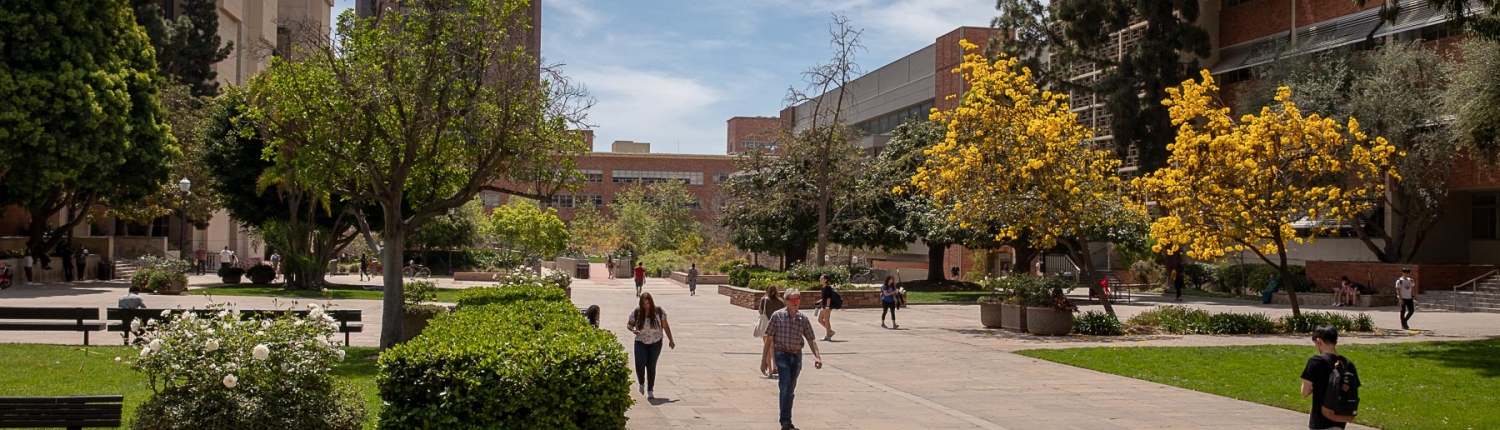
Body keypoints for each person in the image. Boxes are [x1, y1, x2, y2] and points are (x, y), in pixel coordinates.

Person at [761, 288, 823, 430]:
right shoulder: (777, 316)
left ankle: (787, 420)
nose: (796, 303)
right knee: (785, 384)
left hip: (796, 355)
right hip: (781, 354)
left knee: (791, 387)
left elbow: (811, 339)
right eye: (793, 300)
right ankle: (785, 422)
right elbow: (769, 339)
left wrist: (817, 357)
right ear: (786, 301)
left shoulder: (803, 319)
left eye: (797, 300)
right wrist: (764, 360)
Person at [1301, 325, 1356, 430]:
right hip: (1341, 420)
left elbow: (1304, 393)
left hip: (1320, 422)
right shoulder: (1348, 364)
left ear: (1318, 342)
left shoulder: (1315, 362)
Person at [626, 292, 675, 400]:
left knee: (651, 365)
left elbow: (665, 326)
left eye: (648, 303)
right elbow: (629, 324)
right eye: (644, 304)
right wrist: (632, 329)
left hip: (656, 342)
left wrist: (671, 340)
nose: (646, 306)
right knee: (640, 364)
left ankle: (650, 390)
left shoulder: (659, 312)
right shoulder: (637, 312)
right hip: (640, 341)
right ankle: (641, 384)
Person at [754, 285, 784, 378]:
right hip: (776, 326)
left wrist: (764, 296)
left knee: (767, 347)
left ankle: (770, 370)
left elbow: (760, 311)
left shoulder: (764, 300)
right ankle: (775, 366)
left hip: (766, 326)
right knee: (774, 347)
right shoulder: (780, 301)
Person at [817, 275, 838, 341]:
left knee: (826, 321)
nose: (820, 280)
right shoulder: (823, 288)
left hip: (827, 307)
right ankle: (830, 331)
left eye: (821, 279)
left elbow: (829, 298)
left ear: (825, 280)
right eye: (820, 278)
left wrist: (827, 307)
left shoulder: (828, 288)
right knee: (820, 320)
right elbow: (824, 298)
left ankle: (828, 336)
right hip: (823, 306)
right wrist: (819, 301)